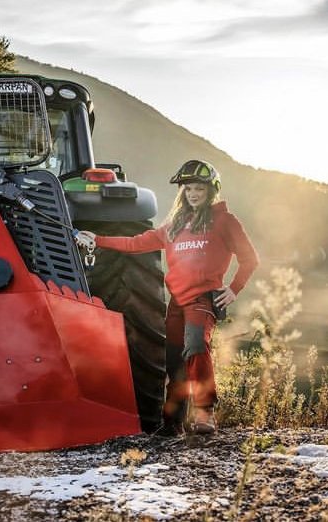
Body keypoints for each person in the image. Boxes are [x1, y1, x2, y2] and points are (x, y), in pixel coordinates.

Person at [75, 160, 259, 435]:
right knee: (174, 361)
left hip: (202, 300)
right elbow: (135, 243)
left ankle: (205, 413)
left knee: (196, 347)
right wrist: (98, 240)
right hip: (177, 304)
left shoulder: (225, 221)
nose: (193, 194)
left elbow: (250, 259)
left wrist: (233, 289)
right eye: (188, 189)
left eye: (199, 188)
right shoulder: (174, 226)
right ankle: (172, 422)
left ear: (211, 191)